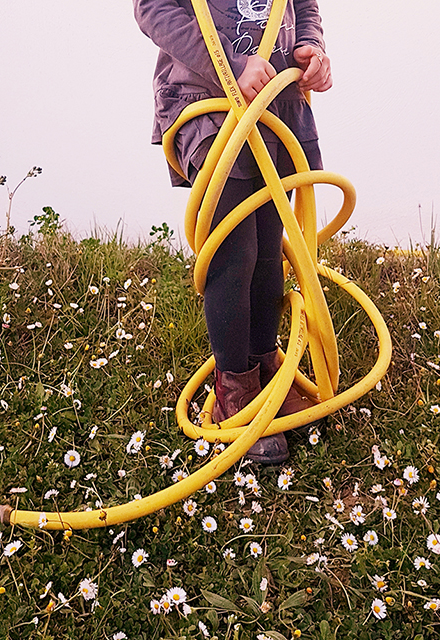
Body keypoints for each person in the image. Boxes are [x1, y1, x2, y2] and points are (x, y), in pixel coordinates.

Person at [133, 0, 332, 463]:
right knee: (235, 250)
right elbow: (154, 10)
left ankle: (264, 367)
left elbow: (304, 6)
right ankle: (234, 388)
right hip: (208, 103)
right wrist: (230, 65)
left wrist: (311, 46)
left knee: (267, 251)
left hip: (275, 103)